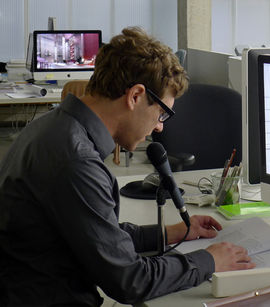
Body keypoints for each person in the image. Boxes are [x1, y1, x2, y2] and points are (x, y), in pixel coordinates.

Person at [0, 27, 255, 306]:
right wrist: (209, 260)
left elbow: (98, 233)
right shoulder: (76, 160)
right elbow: (131, 280)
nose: (159, 126)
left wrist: (170, 233)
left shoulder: (53, 127)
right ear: (135, 96)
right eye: (161, 113)